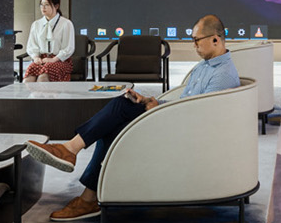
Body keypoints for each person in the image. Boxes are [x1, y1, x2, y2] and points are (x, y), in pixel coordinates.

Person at [27, 13, 242, 221]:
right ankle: (88, 197)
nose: (193, 46)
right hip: (174, 118)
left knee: (120, 107)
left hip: (182, 130)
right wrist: (156, 102)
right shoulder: (204, 67)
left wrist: (161, 111)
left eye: (196, 40)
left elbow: (200, 117)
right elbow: (187, 102)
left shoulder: (222, 75)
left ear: (215, 39)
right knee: (114, 121)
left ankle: (70, 150)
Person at [23, 0, 77, 82]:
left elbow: (68, 48)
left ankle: (45, 96)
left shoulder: (66, 24)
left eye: (47, 5)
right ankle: (33, 96)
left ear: (56, 6)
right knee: (28, 79)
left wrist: (53, 59)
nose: (43, 8)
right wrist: (36, 57)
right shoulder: (36, 24)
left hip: (60, 61)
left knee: (43, 78)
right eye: (41, 5)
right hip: (41, 60)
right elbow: (32, 45)